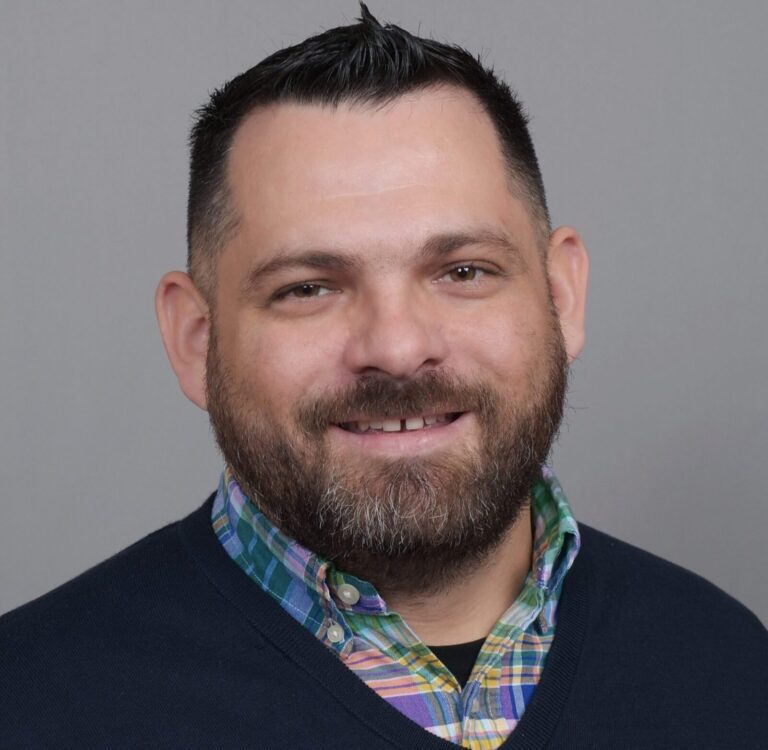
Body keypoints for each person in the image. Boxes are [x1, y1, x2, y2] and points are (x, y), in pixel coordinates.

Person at [1, 4, 765, 748]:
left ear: (562, 297)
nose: (397, 350)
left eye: (463, 271)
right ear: (196, 339)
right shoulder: (26, 700)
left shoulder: (729, 665)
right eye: (309, 287)